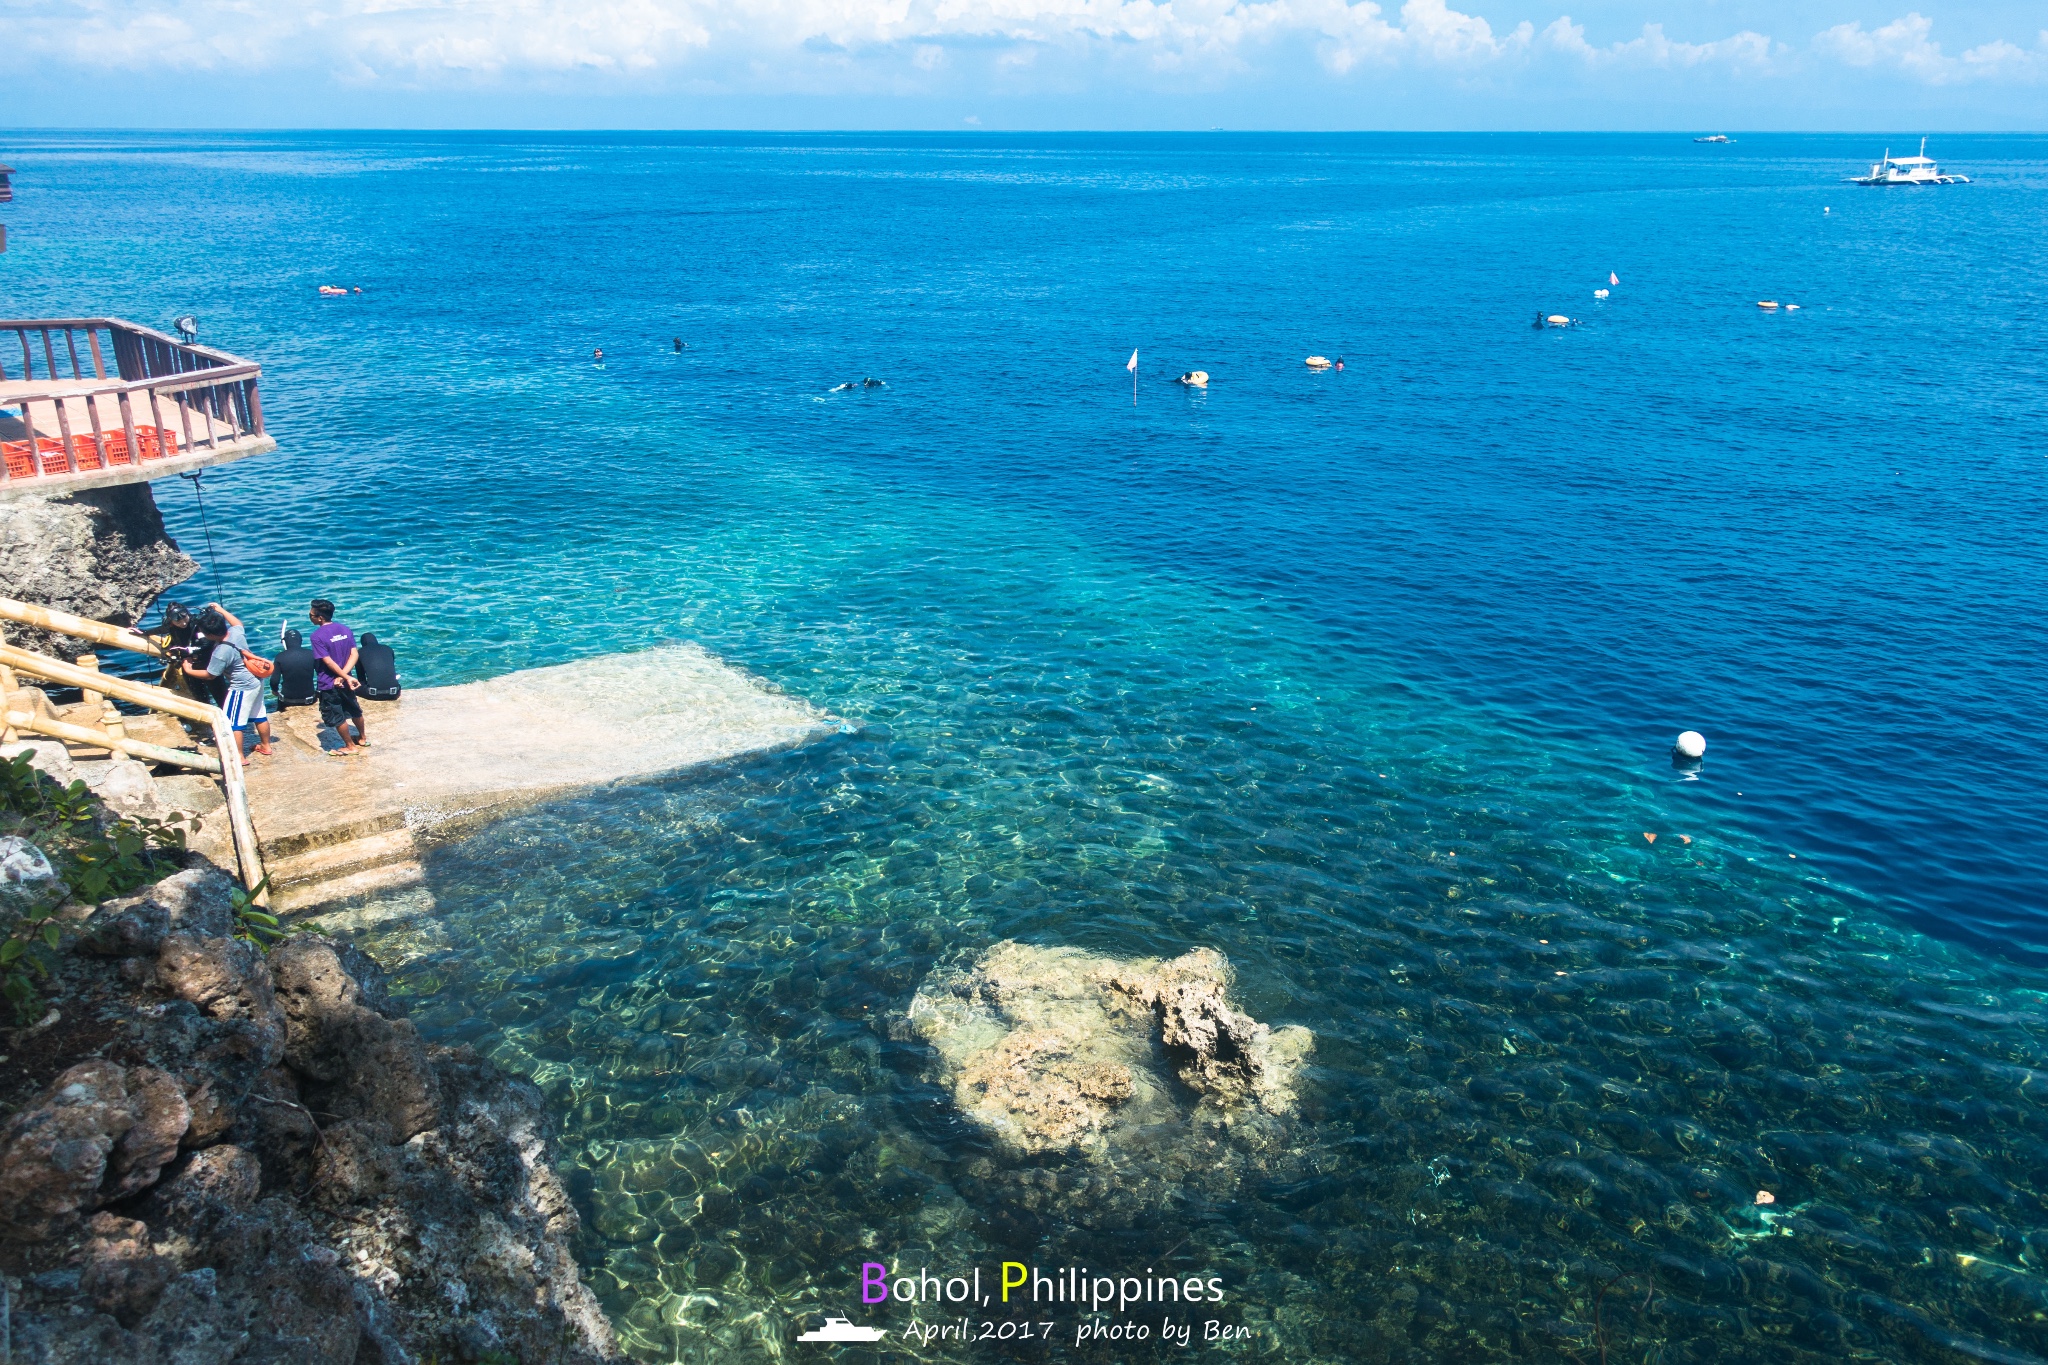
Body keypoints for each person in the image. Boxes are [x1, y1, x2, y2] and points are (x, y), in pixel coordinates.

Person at [182, 615, 272, 757]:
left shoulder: (220, 652)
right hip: (256, 680)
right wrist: (219, 609)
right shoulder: (236, 633)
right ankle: (266, 746)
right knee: (259, 714)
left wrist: (189, 670)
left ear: (210, 635)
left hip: (242, 687)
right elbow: (238, 623)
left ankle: (239, 757)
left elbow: (211, 674)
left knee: (232, 723)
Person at [309, 598, 368, 756]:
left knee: (337, 715)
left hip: (329, 682)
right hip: (346, 680)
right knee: (354, 709)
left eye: (311, 615)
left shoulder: (317, 636)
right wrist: (346, 676)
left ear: (320, 618)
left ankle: (349, 746)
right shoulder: (345, 629)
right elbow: (354, 654)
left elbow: (327, 661)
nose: (310, 617)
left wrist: (342, 676)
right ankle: (362, 738)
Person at [271, 629, 320, 709]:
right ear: (300, 641)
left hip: (287, 701)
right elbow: (321, 675)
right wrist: (318, 691)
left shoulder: (280, 657)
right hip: (309, 699)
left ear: (286, 642)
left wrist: (275, 691)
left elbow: (274, 680)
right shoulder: (312, 654)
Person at [355, 632, 401, 700]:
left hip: (373, 694)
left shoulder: (359, 652)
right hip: (394, 693)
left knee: (353, 688)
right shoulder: (388, 649)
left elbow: (361, 678)